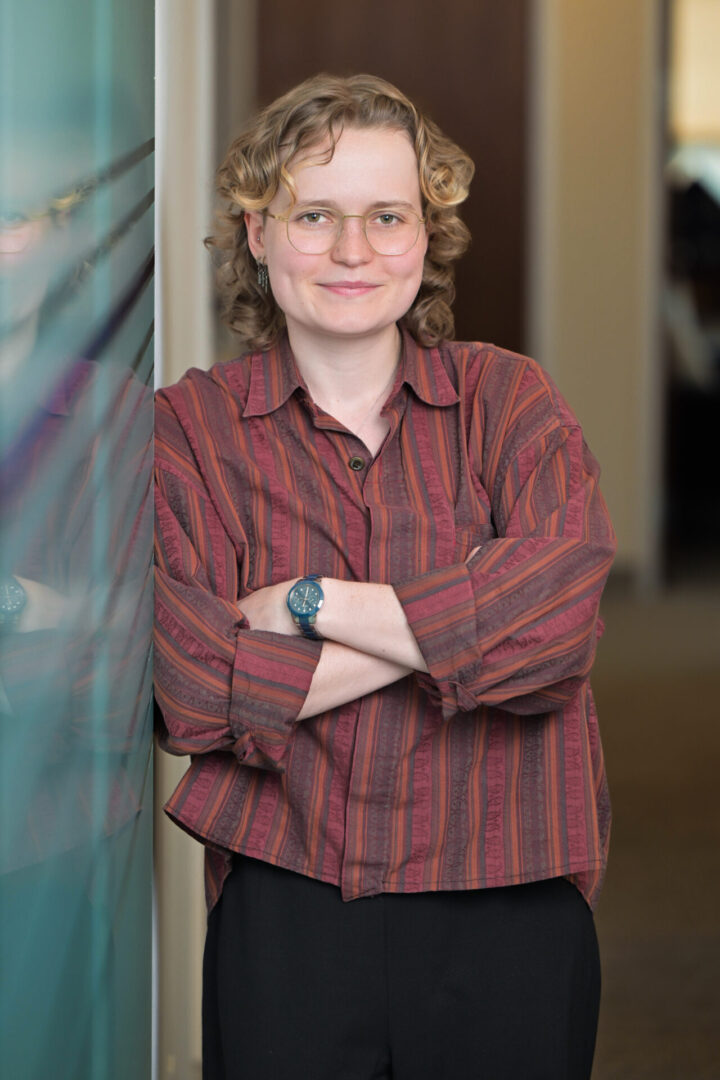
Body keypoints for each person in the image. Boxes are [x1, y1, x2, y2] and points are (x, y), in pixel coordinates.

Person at [154, 72, 616, 1080]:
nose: (353, 251)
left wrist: (310, 607)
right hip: (291, 909)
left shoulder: (509, 398)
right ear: (256, 232)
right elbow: (194, 691)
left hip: (511, 898)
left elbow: (560, 628)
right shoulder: (186, 430)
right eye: (314, 215)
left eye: (386, 216)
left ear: (426, 234)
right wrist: (465, 624)